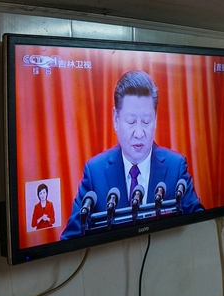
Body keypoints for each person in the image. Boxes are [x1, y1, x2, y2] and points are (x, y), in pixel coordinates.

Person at [61, 70, 203, 240]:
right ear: (116, 119)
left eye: (146, 121)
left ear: (156, 120)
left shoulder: (175, 167)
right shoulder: (95, 172)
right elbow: (70, 239)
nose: (139, 133)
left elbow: (200, 226)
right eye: (130, 121)